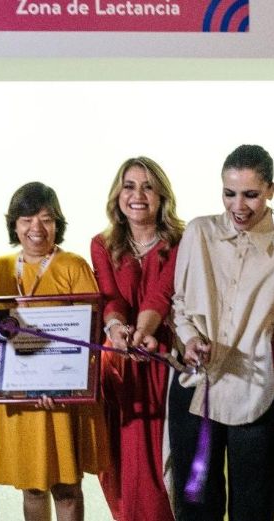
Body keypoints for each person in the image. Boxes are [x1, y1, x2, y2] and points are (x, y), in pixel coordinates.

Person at [169, 144, 274, 521]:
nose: (238, 206)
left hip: (257, 396)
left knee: (254, 510)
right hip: (196, 389)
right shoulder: (198, 231)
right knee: (195, 510)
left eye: (251, 194)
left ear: (271, 189)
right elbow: (179, 304)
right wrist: (190, 339)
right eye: (229, 193)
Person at [0, 181, 110, 521]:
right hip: (18, 397)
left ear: (58, 223)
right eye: (27, 219)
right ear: (14, 224)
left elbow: (90, 333)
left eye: (46, 219)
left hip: (62, 396)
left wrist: (63, 384)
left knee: (67, 487)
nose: (37, 228)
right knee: (32, 488)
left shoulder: (73, 265)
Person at [90, 157, 184, 521]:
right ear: (118, 194)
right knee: (121, 467)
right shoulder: (102, 244)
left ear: (162, 196)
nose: (138, 195)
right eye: (129, 186)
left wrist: (142, 332)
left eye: (148, 187)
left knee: (163, 467)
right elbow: (110, 296)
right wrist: (117, 330)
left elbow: (161, 294)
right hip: (119, 367)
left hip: (162, 360)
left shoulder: (181, 240)